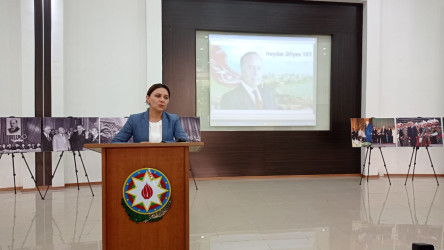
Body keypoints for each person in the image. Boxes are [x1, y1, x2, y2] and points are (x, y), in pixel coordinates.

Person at [112, 83, 189, 143]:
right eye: (158, 96)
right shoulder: (134, 119)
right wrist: (139, 146)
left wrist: (162, 144)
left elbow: (184, 141)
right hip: (140, 160)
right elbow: (116, 142)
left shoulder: (173, 119)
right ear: (148, 98)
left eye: (166, 97)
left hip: (166, 160)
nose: (162, 100)